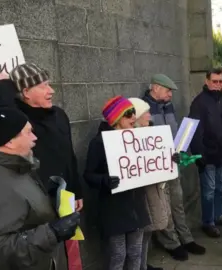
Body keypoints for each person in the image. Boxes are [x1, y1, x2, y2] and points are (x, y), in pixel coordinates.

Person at [0, 64, 84, 268]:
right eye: (43, 86)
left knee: (67, 257)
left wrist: (76, 190)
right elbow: (0, 114)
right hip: (33, 212)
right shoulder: (19, 120)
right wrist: (2, 83)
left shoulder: (60, 115)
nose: (51, 91)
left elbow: (69, 155)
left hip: (62, 202)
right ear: (25, 92)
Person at [142, 74, 205, 260]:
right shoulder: (143, 109)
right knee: (164, 206)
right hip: (156, 166)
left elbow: (174, 130)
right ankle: (171, 242)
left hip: (172, 162)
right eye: (168, 90)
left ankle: (185, 237)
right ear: (155, 88)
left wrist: (180, 148)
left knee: (177, 201)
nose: (170, 94)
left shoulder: (167, 106)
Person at [84, 96, 150, 270]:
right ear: (116, 118)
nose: (133, 117)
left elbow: (152, 161)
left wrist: (169, 160)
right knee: (118, 254)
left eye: (133, 113)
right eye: (128, 114)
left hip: (135, 203)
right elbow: (89, 175)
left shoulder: (137, 138)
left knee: (136, 251)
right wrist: (104, 180)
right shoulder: (98, 143)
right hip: (114, 206)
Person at [189, 67, 222, 238]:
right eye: (214, 81)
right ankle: (208, 222)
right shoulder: (199, 103)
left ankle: (218, 215)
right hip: (208, 155)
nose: (217, 85)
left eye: (220, 81)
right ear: (207, 82)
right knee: (208, 190)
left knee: (220, 187)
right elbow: (195, 132)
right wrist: (200, 156)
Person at [127, 98, 167, 270]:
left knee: (147, 232)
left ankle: (143, 265)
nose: (150, 116)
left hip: (152, 189)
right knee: (139, 235)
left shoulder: (150, 133)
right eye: (146, 113)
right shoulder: (130, 138)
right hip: (140, 193)